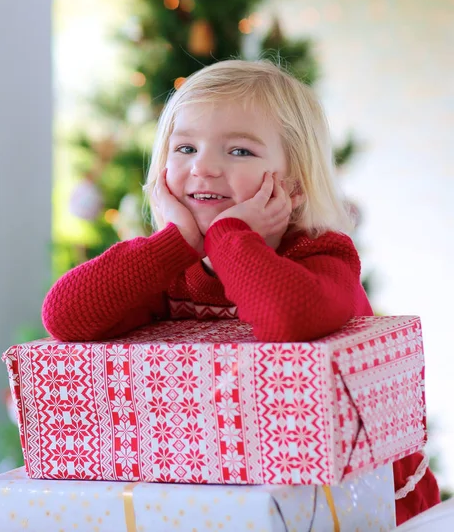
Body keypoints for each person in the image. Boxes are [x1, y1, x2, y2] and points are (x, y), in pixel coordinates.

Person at [41, 59, 439, 524]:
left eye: (240, 152)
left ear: (292, 183)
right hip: (236, 498)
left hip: (360, 503)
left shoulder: (323, 256)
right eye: (185, 147)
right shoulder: (166, 264)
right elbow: (65, 317)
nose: (203, 167)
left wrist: (229, 235)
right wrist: (178, 242)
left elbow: (287, 321)